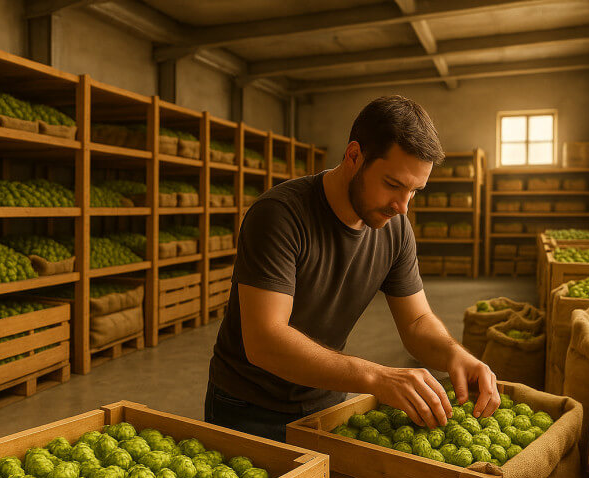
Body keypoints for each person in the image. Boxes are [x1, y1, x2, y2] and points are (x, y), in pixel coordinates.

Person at [205, 95, 500, 442]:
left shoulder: (395, 228)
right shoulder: (280, 215)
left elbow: (417, 321)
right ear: (354, 156)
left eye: (414, 191)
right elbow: (265, 340)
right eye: (393, 184)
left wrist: (455, 354)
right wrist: (376, 377)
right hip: (247, 408)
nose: (402, 207)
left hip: (326, 400)